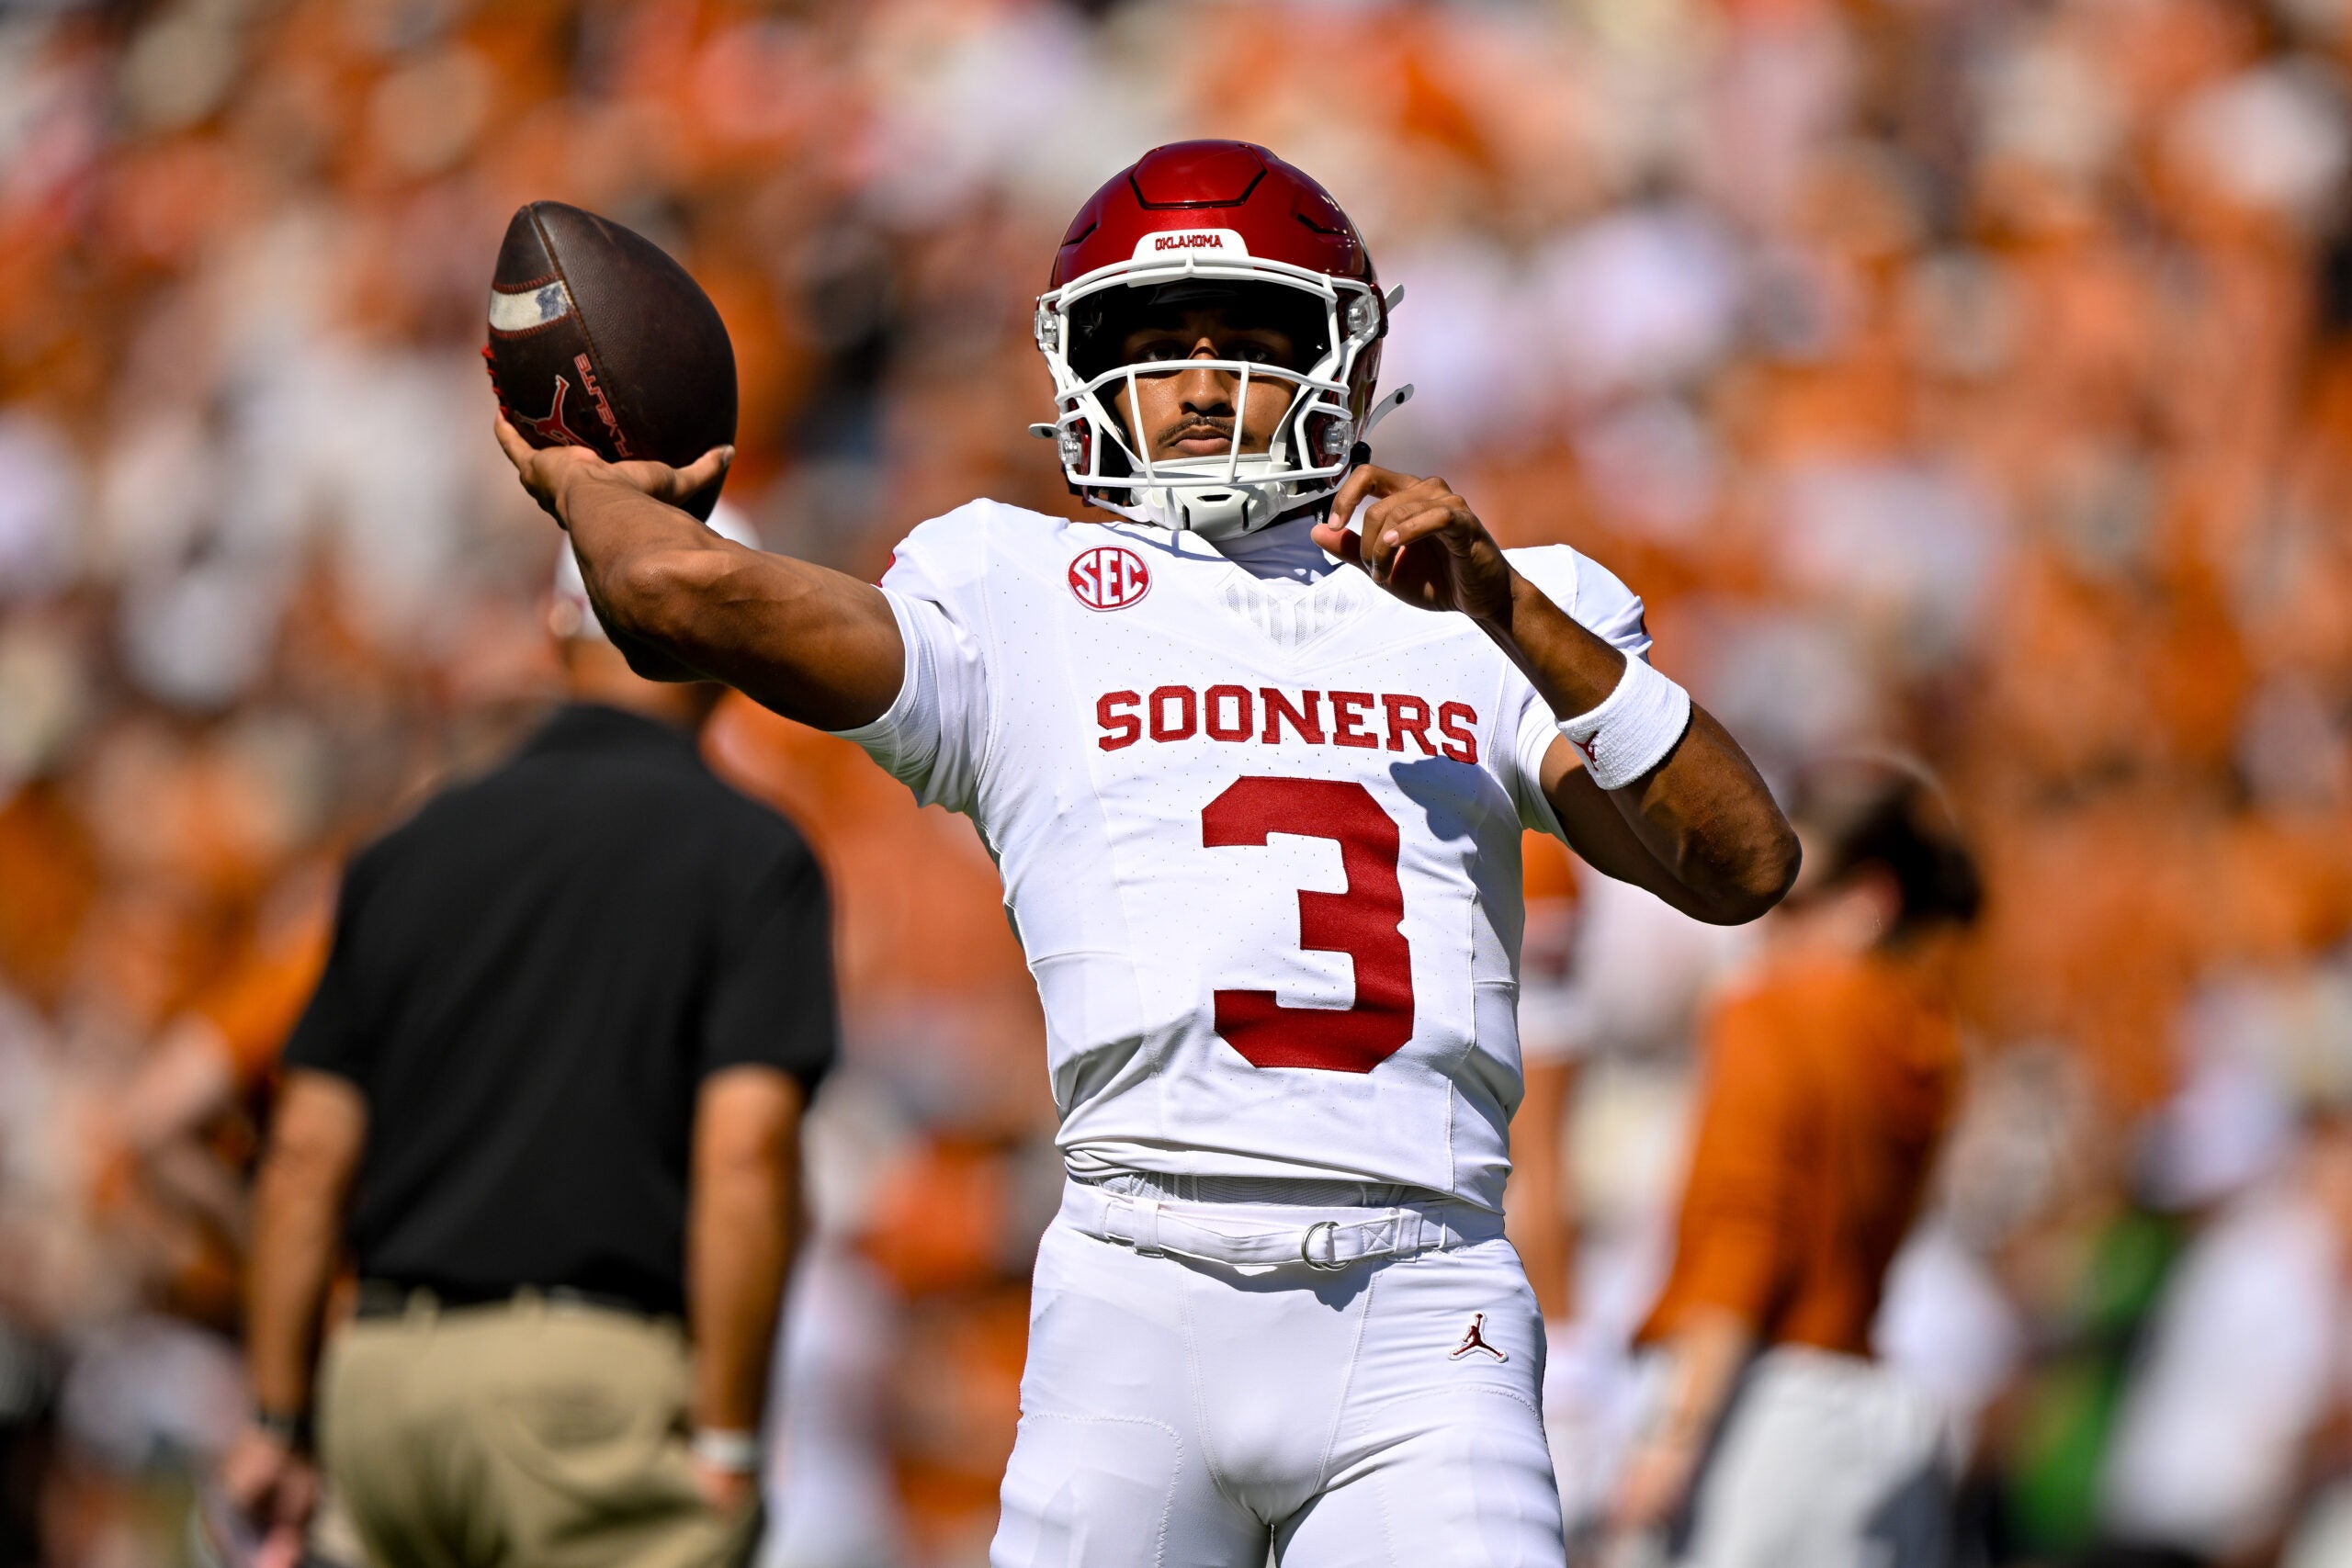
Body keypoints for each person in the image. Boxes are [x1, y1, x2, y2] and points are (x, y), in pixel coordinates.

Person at [499, 140, 1798, 1564]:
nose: (1196, 379)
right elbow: (671, 593)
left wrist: (1505, 610)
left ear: (1345, 363)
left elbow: (1739, 865)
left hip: (1429, 1302)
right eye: (1153, 341)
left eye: (1248, 338)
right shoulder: (1015, 587)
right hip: (1138, 1280)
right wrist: (589, 475)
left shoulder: (1492, 605)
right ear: (1080, 369)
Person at [221, 511, 836, 1568]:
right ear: (739, 645)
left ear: (559, 627)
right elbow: (746, 1154)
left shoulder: (404, 851)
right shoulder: (752, 856)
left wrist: (279, 1421)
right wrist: (731, 1437)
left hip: (381, 1390)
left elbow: (305, 1156)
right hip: (587, 1404)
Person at [1607, 761, 1982, 1568]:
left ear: (1868, 902)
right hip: (1866, 1410)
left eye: (1788, 900)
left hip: (1754, 1420)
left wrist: (1672, 1435)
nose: (1765, 926)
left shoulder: (1775, 1010)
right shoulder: (1928, 1040)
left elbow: (1748, 1235)